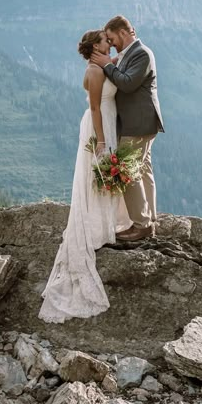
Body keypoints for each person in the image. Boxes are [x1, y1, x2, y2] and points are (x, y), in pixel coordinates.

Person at [38, 29, 131, 324]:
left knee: (103, 178)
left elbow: (118, 60)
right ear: (94, 47)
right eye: (105, 40)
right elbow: (94, 106)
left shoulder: (101, 63)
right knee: (98, 177)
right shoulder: (93, 70)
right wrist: (101, 140)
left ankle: (105, 222)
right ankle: (96, 225)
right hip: (97, 126)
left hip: (107, 122)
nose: (109, 43)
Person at [90, 15, 164, 241]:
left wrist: (105, 66)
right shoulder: (130, 54)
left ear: (123, 32)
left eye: (112, 38)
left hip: (138, 123)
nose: (110, 44)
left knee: (126, 171)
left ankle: (141, 224)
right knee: (143, 171)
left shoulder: (141, 53)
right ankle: (150, 219)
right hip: (139, 122)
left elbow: (128, 83)